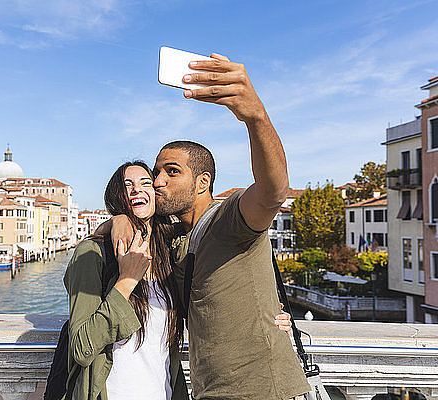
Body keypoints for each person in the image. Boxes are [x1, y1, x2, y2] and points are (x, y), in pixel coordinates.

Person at [109, 53, 311, 399]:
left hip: (263, 391)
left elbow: (273, 191)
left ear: (202, 183)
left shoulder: (228, 219)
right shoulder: (173, 239)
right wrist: (119, 219)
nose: (157, 182)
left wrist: (255, 117)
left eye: (172, 172)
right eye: (157, 172)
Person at [65, 161, 293, 400]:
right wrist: (127, 279)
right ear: (116, 195)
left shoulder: (171, 253)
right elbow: (81, 348)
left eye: (145, 183)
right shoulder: (92, 254)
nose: (137, 189)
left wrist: (264, 315)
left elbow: (210, 296)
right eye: (127, 185)